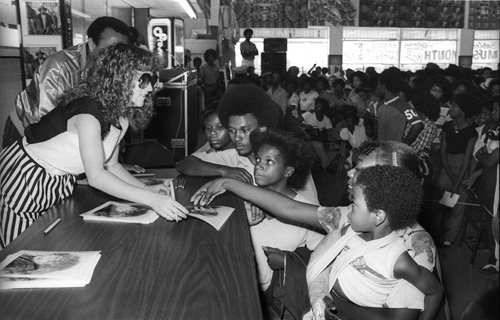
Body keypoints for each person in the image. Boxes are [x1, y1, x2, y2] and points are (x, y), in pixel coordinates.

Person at [192, 140, 437, 318]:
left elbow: (398, 319)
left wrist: (325, 300)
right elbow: (288, 208)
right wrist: (228, 182)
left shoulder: (416, 246)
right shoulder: (352, 215)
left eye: (361, 170)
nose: (350, 172)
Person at [0, 44, 188, 249]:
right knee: (17, 252)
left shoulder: (121, 116)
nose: (151, 88)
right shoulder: (88, 112)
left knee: (44, 247)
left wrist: (147, 188)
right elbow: (96, 176)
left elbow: (112, 166)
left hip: (57, 180)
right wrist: (151, 199)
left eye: (152, 80)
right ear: (119, 78)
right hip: (24, 177)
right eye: (144, 80)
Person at [305, 166, 442, 320]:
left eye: (354, 205)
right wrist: (322, 296)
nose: (348, 210)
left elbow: (435, 292)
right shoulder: (349, 233)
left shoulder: (397, 260)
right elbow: (322, 262)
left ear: (378, 216)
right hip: (330, 302)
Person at [176, 84, 319, 204]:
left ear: (263, 128)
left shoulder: (289, 157)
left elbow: (313, 212)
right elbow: (184, 164)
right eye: (232, 131)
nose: (237, 138)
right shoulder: (235, 156)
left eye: (245, 130)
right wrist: (223, 170)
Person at [3, 16, 130, 148]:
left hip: (64, 136)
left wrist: (109, 160)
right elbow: (47, 122)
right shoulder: (60, 66)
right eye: (110, 49)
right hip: (27, 130)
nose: (117, 56)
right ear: (92, 45)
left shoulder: (113, 66)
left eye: (122, 51)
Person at [249, 130, 323, 292]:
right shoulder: (246, 198)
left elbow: (323, 258)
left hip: (273, 296)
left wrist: (287, 261)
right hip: (242, 283)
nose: (259, 165)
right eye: (258, 159)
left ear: (288, 171)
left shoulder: (304, 211)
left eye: (269, 161)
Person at [433, 93, 481, 246]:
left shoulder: (471, 132)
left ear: (464, 111)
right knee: (442, 201)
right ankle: (436, 232)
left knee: (459, 204)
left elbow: (467, 159)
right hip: (447, 164)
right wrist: (450, 176)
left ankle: (450, 236)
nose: (450, 109)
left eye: (454, 106)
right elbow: (443, 152)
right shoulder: (448, 126)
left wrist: (458, 181)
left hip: (462, 167)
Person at [376, 68, 424, 144]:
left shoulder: (401, 105)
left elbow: (418, 125)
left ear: (383, 86)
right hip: (382, 149)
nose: (377, 87)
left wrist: (402, 146)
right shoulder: (381, 104)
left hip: (393, 152)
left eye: (378, 84)